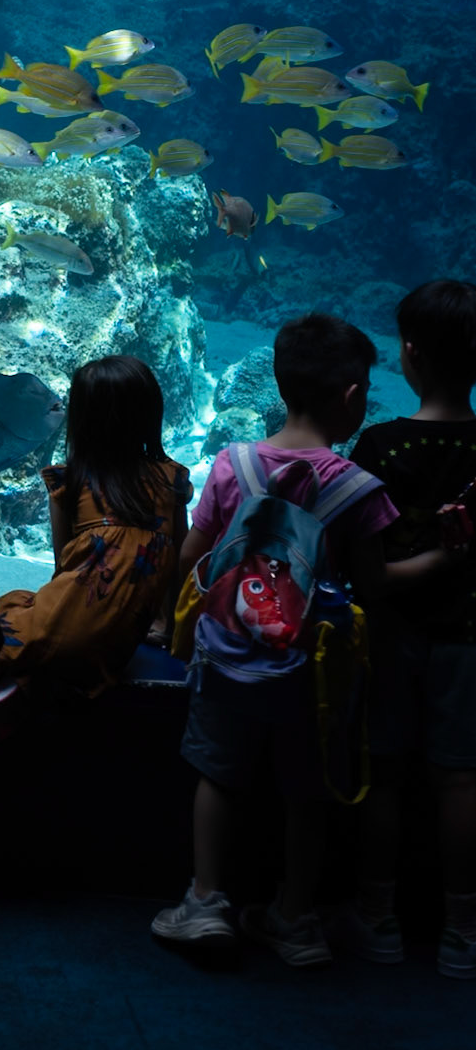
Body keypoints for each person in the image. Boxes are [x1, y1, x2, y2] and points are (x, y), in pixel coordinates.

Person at [152, 314, 400, 965]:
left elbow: (191, 556)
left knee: (216, 773)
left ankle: (206, 902)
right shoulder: (359, 490)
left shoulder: (231, 465)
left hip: (229, 654)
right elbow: (374, 585)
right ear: (352, 398)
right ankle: (294, 916)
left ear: (279, 385)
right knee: (306, 790)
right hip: (309, 671)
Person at [0, 355, 190, 890]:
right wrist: (167, 628)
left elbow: (67, 574)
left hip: (68, 621)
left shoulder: (69, 484)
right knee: (24, 604)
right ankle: (24, 683)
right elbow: (174, 566)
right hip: (118, 642)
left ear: (82, 421)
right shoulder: (173, 482)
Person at [340, 279, 476, 977]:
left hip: (391, 639)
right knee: (460, 782)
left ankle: (377, 916)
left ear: (409, 355)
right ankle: (461, 929)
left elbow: (361, 566)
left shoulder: (380, 446)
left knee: (384, 777)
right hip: (467, 641)